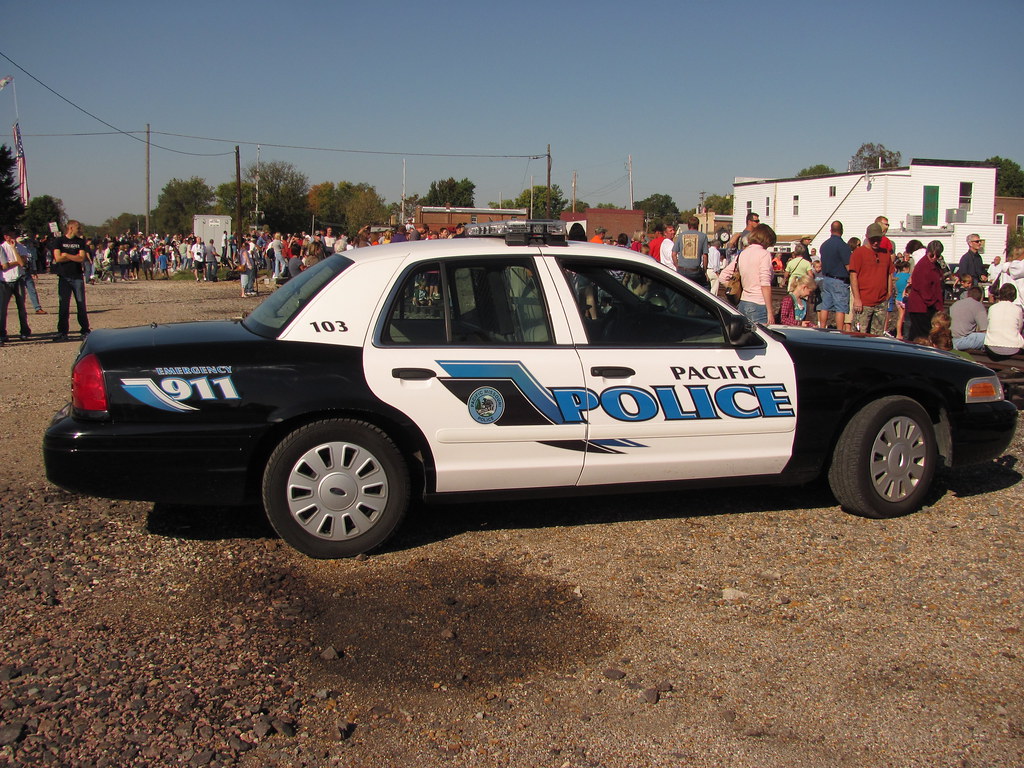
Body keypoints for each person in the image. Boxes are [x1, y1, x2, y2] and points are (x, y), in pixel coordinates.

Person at [718, 223, 776, 324]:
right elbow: (765, 284)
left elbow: (722, 277)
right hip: (759, 304)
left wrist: (736, 289)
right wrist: (770, 312)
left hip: (743, 303)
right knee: (761, 338)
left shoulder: (742, 254)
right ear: (766, 239)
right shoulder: (764, 254)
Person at [849, 223, 894, 335]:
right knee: (859, 335)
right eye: (873, 239)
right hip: (864, 302)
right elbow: (853, 276)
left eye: (878, 239)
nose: (875, 242)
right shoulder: (858, 253)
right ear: (867, 237)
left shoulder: (885, 254)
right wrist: (857, 299)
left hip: (881, 302)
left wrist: (889, 292)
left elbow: (889, 274)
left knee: (877, 336)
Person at [51, 220, 91, 342]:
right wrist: (71, 257)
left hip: (77, 276)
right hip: (64, 277)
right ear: (71, 228)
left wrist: (67, 256)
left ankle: (85, 330)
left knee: (81, 304)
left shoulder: (80, 241)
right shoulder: (59, 241)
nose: (80, 230)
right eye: (78, 227)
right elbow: (57, 258)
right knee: (64, 305)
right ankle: (62, 331)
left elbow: (81, 258)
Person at [905, 240, 945, 342]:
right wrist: (934, 304)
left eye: (937, 256)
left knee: (915, 336)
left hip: (926, 306)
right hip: (921, 307)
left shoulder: (935, 266)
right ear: (927, 252)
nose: (934, 258)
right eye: (932, 255)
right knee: (923, 336)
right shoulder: (923, 266)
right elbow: (923, 289)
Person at [817, 221, 851, 329]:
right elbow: (848, 266)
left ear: (831, 230)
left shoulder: (824, 245)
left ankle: (822, 327)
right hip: (839, 280)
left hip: (826, 278)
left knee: (825, 305)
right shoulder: (843, 246)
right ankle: (839, 330)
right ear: (842, 231)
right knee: (840, 307)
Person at [0, 229, 31, 343]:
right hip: (4, 280)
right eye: (8, 235)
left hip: (18, 279)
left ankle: (24, 331)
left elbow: (23, 263)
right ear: (5, 237)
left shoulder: (21, 247)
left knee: (21, 307)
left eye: (12, 235)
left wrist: (14, 250)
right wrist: (14, 262)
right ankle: (2, 333)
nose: (11, 237)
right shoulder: (2, 248)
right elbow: (3, 266)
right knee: (2, 309)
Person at [983, 283, 1023, 359]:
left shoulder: (992, 308)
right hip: (1013, 347)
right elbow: (1019, 328)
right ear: (1014, 296)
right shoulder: (1018, 309)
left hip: (991, 346)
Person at [672, 216, 710, 288]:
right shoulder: (703, 236)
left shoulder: (681, 235)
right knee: (706, 285)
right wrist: (705, 271)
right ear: (698, 225)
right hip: (694, 271)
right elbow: (705, 256)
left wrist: (677, 266)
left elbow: (674, 254)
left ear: (688, 225)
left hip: (681, 270)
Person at [949, 286, 988, 351]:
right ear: (980, 297)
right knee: (987, 337)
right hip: (961, 341)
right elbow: (984, 329)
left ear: (967, 294)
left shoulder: (955, 304)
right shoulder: (978, 305)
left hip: (950, 339)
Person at [892, 259, 912, 340]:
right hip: (905, 298)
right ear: (905, 268)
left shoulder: (897, 276)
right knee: (906, 318)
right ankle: (905, 334)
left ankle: (898, 334)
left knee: (900, 317)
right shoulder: (908, 276)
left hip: (898, 298)